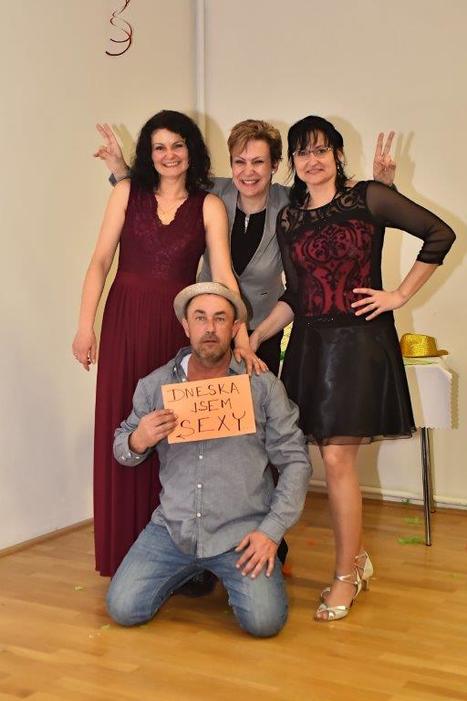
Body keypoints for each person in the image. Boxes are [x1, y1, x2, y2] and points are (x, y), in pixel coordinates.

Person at [250, 115, 456, 622]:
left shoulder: (368, 197)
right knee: (324, 460)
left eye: (322, 150)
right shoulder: (289, 218)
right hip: (311, 347)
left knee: (339, 460)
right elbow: (297, 294)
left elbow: (440, 234)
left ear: (338, 155)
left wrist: (398, 295)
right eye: (302, 152)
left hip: (361, 344)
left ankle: (346, 575)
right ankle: (356, 559)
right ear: (293, 162)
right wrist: (256, 334)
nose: (312, 160)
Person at [73, 110, 258, 577]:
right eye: (159, 147)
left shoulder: (209, 206)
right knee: (127, 421)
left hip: (177, 327)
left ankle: (182, 556)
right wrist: (85, 326)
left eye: (178, 145)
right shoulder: (125, 192)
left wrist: (241, 338)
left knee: (179, 431)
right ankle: (124, 553)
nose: (169, 155)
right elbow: (99, 262)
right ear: (148, 154)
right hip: (124, 323)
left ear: (191, 151)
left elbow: (224, 276)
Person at [96, 120, 397, 376]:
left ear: (275, 165)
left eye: (258, 162)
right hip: (209, 325)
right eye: (239, 162)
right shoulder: (210, 192)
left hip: (263, 327)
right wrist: (121, 170)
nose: (248, 171)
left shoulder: (291, 201)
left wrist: (383, 187)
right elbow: (163, 191)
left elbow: (335, 194)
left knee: (257, 415)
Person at [108, 282, 312, 637]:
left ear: (235, 328)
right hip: (173, 530)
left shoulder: (261, 385)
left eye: (220, 319)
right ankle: (195, 570)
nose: (210, 328)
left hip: (242, 533)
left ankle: (232, 570)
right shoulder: (154, 386)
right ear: (186, 326)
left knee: (264, 622)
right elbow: (122, 449)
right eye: (200, 318)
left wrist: (271, 532)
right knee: (123, 608)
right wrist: (138, 440)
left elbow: (295, 461)